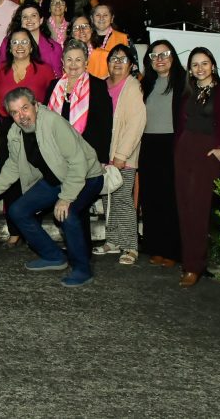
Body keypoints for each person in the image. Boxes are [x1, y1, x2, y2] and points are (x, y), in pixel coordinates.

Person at [0, 88, 105, 287]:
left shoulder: (53, 123)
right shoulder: (15, 132)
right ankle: (53, 256)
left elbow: (78, 162)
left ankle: (82, 269)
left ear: (36, 105)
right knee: (18, 210)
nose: (22, 116)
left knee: (67, 214)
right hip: (56, 178)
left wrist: (66, 197)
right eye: (15, 112)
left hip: (87, 176)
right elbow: (12, 166)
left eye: (25, 108)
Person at [174, 47, 220, 287]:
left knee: (199, 208)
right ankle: (189, 262)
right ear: (191, 71)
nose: (200, 68)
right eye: (195, 65)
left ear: (213, 65)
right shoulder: (187, 94)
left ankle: (194, 266)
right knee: (184, 208)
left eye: (204, 63)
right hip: (184, 152)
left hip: (208, 154)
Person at [0, 29, 56, 248]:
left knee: (35, 176)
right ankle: (14, 231)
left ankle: (33, 230)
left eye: (24, 41)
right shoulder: (0, 70)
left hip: (35, 128)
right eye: (14, 42)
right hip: (8, 126)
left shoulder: (45, 70)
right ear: (9, 47)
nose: (20, 45)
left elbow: (52, 99)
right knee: (11, 175)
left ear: (32, 46)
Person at [95, 44, 147, 265]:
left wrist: (121, 154)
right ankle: (113, 241)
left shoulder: (132, 86)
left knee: (123, 199)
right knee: (108, 198)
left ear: (132, 65)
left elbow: (137, 123)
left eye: (123, 59)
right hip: (104, 154)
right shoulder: (103, 85)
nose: (117, 62)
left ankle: (130, 246)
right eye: (113, 58)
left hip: (123, 155)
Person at [140, 39, 185, 268]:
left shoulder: (185, 83)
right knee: (151, 198)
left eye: (164, 54)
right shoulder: (145, 83)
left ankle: (172, 250)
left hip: (173, 144)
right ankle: (155, 247)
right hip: (148, 144)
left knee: (171, 199)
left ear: (173, 56)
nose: (159, 59)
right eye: (154, 55)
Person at [45, 39, 112, 164]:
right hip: (57, 156)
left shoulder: (98, 86)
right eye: (69, 59)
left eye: (78, 60)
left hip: (88, 157)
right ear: (63, 62)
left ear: (86, 62)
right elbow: (44, 120)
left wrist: (102, 160)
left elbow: (105, 126)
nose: (73, 64)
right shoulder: (53, 86)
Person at [0, 2, 64, 77]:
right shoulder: (8, 43)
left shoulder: (55, 48)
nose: (29, 20)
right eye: (25, 17)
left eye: (33, 16)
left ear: (41, 20)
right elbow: (0, 71)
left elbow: (57, 78)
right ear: (20, 21)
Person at [87, 3, 130, 79]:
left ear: (112, 18)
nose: (101, 18)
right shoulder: (84, 38)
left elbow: (133, 68)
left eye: (105, 15)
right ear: (92, 19)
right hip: (88, 84)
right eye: (97, 15)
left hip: (115, 83)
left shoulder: (124, 38)